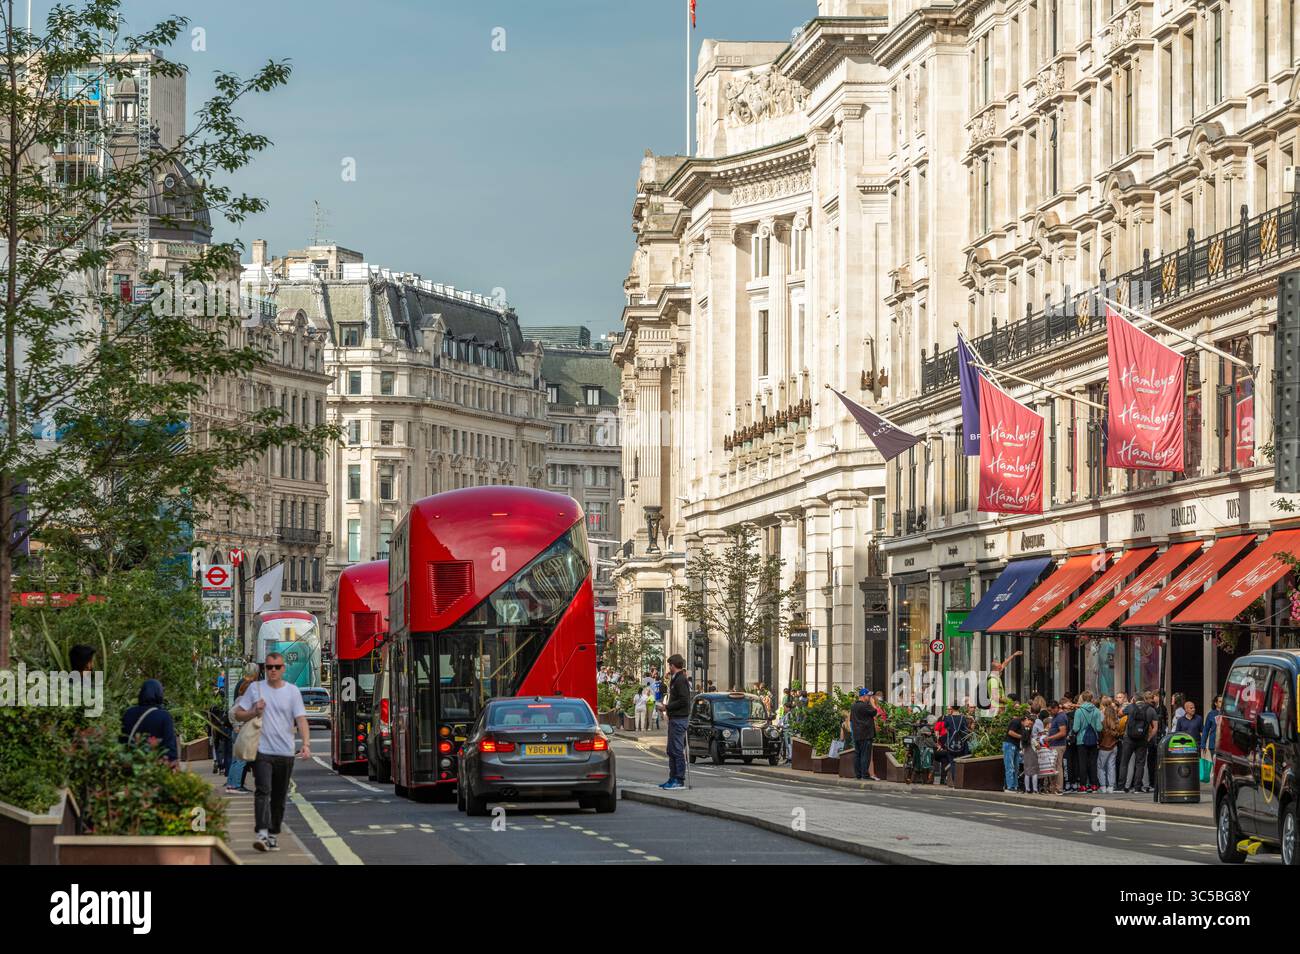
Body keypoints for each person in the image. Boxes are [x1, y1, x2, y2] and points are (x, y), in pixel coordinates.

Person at [232, 652, 311, 852]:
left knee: (278, 795)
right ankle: (262, 833)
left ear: (283, 669)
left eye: (276, 667)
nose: (273, 671)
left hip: (285, 752)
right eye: (269, 667)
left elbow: (301, 719)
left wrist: (306, 744)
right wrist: (253, 712)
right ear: (264, 669)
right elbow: (238, 714)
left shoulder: (292, 692)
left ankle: (273, 832)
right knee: (262, 790)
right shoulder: (255, 689)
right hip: (262, 751)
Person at [120, 679, 178, 762]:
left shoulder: (128, 713)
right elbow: (170, 749)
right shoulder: (164, 716)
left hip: (131, 765)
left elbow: (122, 741)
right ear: (159, 694)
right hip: (154, 768)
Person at [658, 654, 691, 790]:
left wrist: (667, 707)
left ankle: (679, 779)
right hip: (675, 719)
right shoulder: (675, 679)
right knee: (671, 750)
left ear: (673, 665)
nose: (669, 667)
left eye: (669, 665)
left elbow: (684, 700)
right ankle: (672, 778)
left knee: (677, 750)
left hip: (679, 719)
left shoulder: (681, 680)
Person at [225, 663, 259, 794]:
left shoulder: (240, 697)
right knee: (241, 760)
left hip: (239, 730)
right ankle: (235, 785)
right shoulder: (243, 700)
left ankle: (231, 784)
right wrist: (237, 726)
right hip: (241, 731)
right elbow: (232, 713)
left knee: (237, 759)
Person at [1119, 691, 1157, 793]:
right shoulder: (1151, 710)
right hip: (1142, 740)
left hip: (1128, 739)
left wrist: (1130, 703)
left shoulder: (1131, 707)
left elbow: (1120, 713)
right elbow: (1155, 728)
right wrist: (1148, 738)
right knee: (1140, 764)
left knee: (1124, 763)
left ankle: (1122, 787)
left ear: (1134, 699)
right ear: (1144, 699)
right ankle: (1137, 787)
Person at [1072, 690, 1103, 793]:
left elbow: (1076, 728)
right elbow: (1099, 728)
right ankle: (1094, 785)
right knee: (1093, 763)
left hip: (1081, 740)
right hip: (1094, 740)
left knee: (1082, 763)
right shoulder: (1097, 711)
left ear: (1083, 698)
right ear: (1091, 698)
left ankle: (1083, 786)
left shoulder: (1079, 711)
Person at [937, 703, 971, 787]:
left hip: (950, 744)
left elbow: (944, 726)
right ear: (959, 708)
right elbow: (966, 729)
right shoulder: (963, 718)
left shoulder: (948, 718)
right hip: (961, 744)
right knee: (959, 762)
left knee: (952, 763)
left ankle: (955, 782)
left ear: (952, 708)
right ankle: (961, 782)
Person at [849, 688, 878, 781]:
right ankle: (865, 775)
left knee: (858, 754)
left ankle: (858, 774)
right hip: (866, 734)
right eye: (868, 696)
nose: (869, 697)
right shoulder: (864, 706)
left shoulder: (853, 706)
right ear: (864, 696)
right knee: (865, 755)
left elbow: (851, 720)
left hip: (857, 734)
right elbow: (875, 712)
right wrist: (873, 704)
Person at [987, 649, 1022, 714]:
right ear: (996, 669)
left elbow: (1005, 663)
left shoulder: (995, 675)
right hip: (997, 709)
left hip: (998, 708)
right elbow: (995, 697)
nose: (1002, 669)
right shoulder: (993, 680)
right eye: (1000, 668)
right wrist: (1010, 703)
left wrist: (1014, 655)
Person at [1098, 696, 1121, 793]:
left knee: (1101, 767)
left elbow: (1100, 735)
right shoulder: (1117, 722)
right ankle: (1111, 786)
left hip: (1104, 747)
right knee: (1111, 766)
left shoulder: (1102, 723)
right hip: (1114, 746)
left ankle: (1103, 786)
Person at [208, 693, 233, 775]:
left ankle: (220, 765)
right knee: (223, 747)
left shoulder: (212, 706)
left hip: (215, 727)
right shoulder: (224, 706)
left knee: (217, 746)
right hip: (223, 727)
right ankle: (223, 765)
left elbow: (210, 718)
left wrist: (209, 731)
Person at [1003, 706, 1026, 792]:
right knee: (1010, 766)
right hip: (1009, 744)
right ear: (1025, 719)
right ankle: (1009, 786)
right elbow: (1010, 732)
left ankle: (1015, 785)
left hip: (1016, 745)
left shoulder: (1022, 725)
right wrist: (1021, 736)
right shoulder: (1016, 721)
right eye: (1029, 722)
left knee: (1016, 767)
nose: (1029, 725)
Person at [1202, 694, 1224, 764]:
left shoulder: (1227, 714)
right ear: (1216, 703)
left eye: (1223, 701)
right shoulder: (1211, 714)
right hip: (1213, 745)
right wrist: (1203, 744)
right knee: (1215, 765)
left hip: (1224, 745)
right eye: (1220, 701)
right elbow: (1206, 730)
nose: (1222, 703)